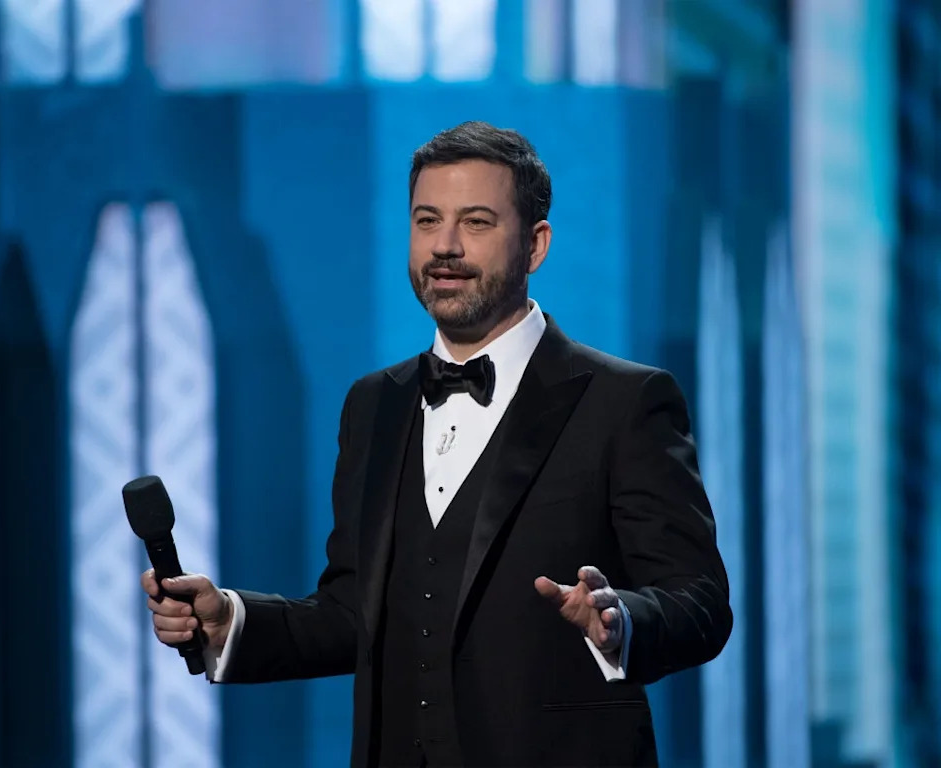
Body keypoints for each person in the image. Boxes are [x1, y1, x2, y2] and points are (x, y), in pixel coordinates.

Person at [142, 121, 732, 768]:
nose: (445, 246)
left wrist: (621, 621)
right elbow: (354, 613)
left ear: (535, 246)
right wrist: (231, 622)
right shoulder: (373, 404)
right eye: (427, 221)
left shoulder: (625, 401)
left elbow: (701, 603)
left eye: (476, 222)